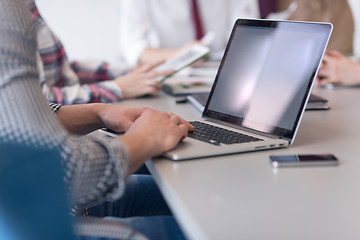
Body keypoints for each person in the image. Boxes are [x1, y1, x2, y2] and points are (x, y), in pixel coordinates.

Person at [0, 0, 194, 239]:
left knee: (195, 194)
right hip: (44, 216)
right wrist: (146, 138)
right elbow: (66, 171)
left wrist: (97, 113)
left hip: (39, 201)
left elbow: (13, 122)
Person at [28, 0, 174, 105]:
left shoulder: (28, 7)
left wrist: (126, 74)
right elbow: (40, 102)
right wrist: (117, 88)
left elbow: (62, 71)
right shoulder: (12, 17)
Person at [119, 0, 260, 66]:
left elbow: (249, 33)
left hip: (222, 70)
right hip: (173, 73)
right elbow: (133, 48)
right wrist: (183, 55)